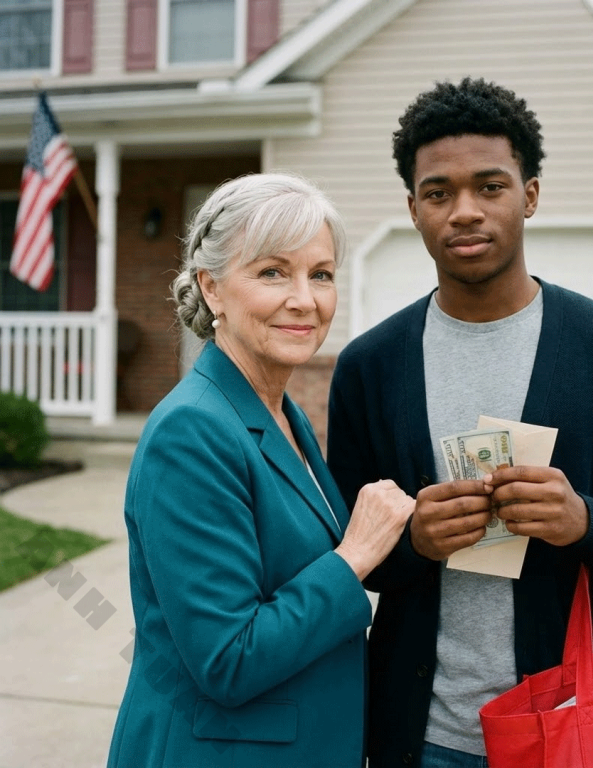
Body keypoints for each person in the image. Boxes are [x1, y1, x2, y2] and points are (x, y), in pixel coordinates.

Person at [326, 78, 593, 768]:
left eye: (489, 187)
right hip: (421, 732)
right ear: (412, 208)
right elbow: (347, 553)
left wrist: (584, 519)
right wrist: (414, 541)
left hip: (580, 724)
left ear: (529, 194)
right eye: (439, 193)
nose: (464, 211)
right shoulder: (369, 366)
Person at [107, 173, 415, 768]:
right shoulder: (191, 432)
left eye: (320, 273)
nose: (305, 298)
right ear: (212, 289)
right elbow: (229, 657)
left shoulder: (282, 413)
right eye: (273, 272)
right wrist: (353, 557)